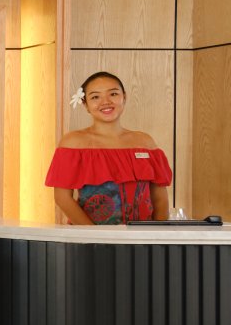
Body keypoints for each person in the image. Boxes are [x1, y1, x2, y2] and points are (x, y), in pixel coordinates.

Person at [45, 71, 171, 225]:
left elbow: (160, 198)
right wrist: (95, 234)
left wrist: (158, 234)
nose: (105, 102)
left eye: (113, 94)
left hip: (142, 237)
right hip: (90, 236)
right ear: (85, 104)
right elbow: (62, 198)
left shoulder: (145, 142)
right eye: (95, 97)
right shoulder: (72, 142)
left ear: (124, 97)